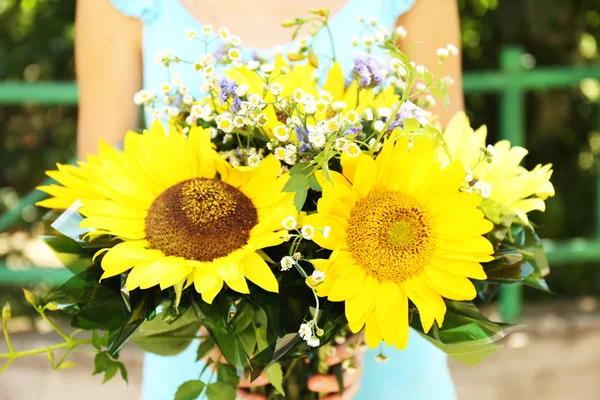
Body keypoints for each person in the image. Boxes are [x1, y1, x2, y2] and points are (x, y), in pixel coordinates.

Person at [75, 0, 463, 399]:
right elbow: (99, 193)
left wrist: (350, 333)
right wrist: (217, 326)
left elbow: (449, 172)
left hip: (386, 343)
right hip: (207, 355)